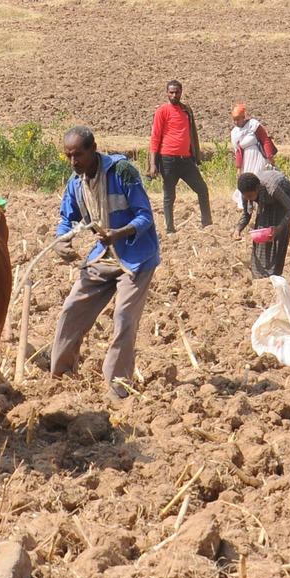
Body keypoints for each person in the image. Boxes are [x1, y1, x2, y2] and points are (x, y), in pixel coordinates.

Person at [51, 126, 160, 398]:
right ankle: (61, 374)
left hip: (135, 258)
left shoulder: (123, 172)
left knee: (123, 317)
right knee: (72, 309)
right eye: (69, 156)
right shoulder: (75, 184)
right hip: (103, 255)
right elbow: (67, 219)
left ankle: (119, 386)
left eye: (78, 155)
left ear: (93, 148)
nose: (73, 162)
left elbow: (145, 216)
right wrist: (61, 240)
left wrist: (119, 233)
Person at [148, 79, 210, 232]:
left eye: (177, 92)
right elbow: (155, 137)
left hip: (186, 160)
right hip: (167, 159)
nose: (174, 95)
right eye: (171, 92)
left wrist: (195, 155)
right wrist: (153, 163)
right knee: (169, 195)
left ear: (181, 92)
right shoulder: (162, 111)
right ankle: (169, 229)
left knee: (202, 189)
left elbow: (192, 134)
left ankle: (207, 225)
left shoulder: (186, 110)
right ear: (167, 93)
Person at [236, 169, 290, 277]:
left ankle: (274, 275)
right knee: (262, 231)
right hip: (266, 197)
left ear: (257, 189)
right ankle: (259, 275)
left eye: (250, 196)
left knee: (278, 238)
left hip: (284, 193)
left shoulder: (273, 189)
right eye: (245, 196)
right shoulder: (245, 191)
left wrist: (279, 228)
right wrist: (238, 230)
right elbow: (246, 214)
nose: (247, 199)